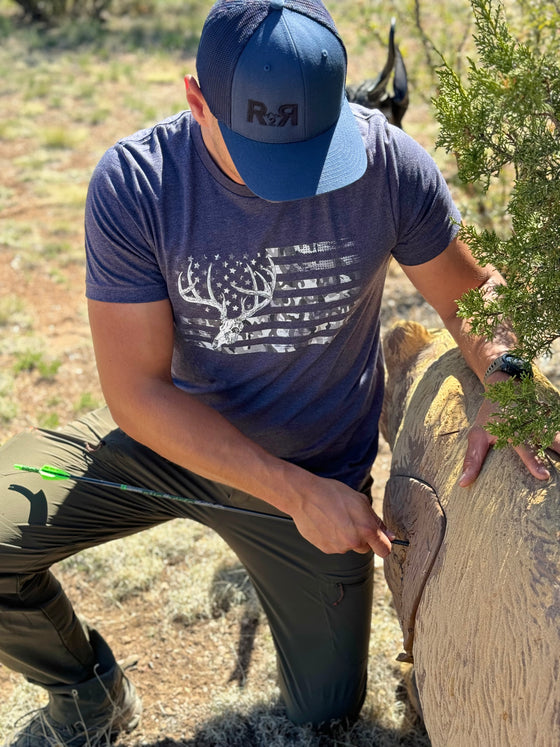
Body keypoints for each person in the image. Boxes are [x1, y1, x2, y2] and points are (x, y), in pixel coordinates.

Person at [1, 0, 558, 744]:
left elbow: (472, 295)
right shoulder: (137, 184)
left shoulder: (386, 163)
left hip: (317, 467)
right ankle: (87, 693)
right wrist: (293, 492)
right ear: (197, 101)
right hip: (173, 445)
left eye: (312, 151)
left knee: (326, 716)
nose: (294, 186)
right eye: (265, 156)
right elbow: (136, 391)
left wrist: (507, 375)